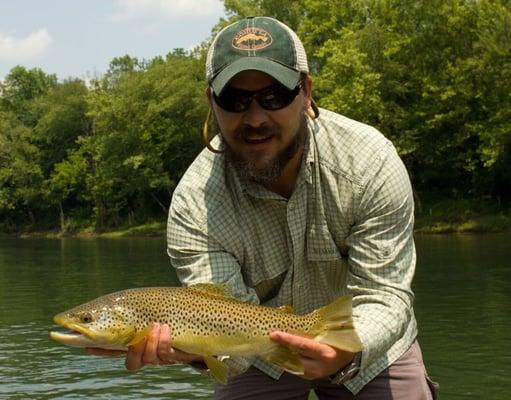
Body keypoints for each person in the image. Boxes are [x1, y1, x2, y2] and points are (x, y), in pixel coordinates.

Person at [88, 16, 438, 399]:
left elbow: (384, 295)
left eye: (274, 97)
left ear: (305, 92)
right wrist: (194, 353)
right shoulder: (194, 206)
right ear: (211, 102)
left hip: (366, 340)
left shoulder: (369, 163)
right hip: (255, 354)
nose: (255, 118)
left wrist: (344, 349)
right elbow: (226, 342)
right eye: (235, 100)